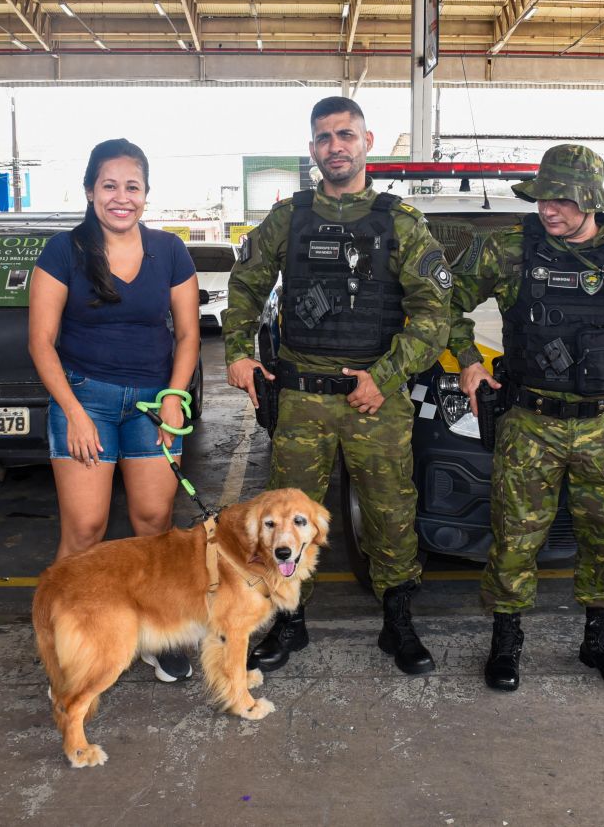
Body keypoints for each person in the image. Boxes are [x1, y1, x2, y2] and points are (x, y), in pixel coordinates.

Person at [224, 96, 452, 676]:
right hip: (301, 397)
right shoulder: (289, 218)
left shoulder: (401, 222)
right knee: (286, 518)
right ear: (312, 149)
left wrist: (387, 377)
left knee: (390, 512)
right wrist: (238, 352)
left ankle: (398, 622)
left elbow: (434, 315)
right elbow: (246, 284)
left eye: (345, 134)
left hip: (376, 397)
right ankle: (289, 622)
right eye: (324, 137)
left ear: (366, 142)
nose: (335, 146)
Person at [449, 144, 604, 693]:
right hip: (529, 425)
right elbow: (441, 303)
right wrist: (467, 360)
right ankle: (506, 641)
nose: (548, 209)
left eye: (563, 200)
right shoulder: (510, 250)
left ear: (592, 201)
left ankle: (599, 641)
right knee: (514, 540)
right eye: (542, 198)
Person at [28, 138, 201, 684]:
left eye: (132, 186)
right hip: (86, 400)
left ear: (146, 194)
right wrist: (74, 412)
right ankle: (68, 642)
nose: (121, 197)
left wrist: (174, 397)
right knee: (86, 530)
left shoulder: (170, 250)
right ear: (89, 191)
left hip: (153, 405)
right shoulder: (63, 252)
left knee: (153, 525)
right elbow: (40, 341)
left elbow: (189, 334)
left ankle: (154, 634)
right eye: (109, 185)